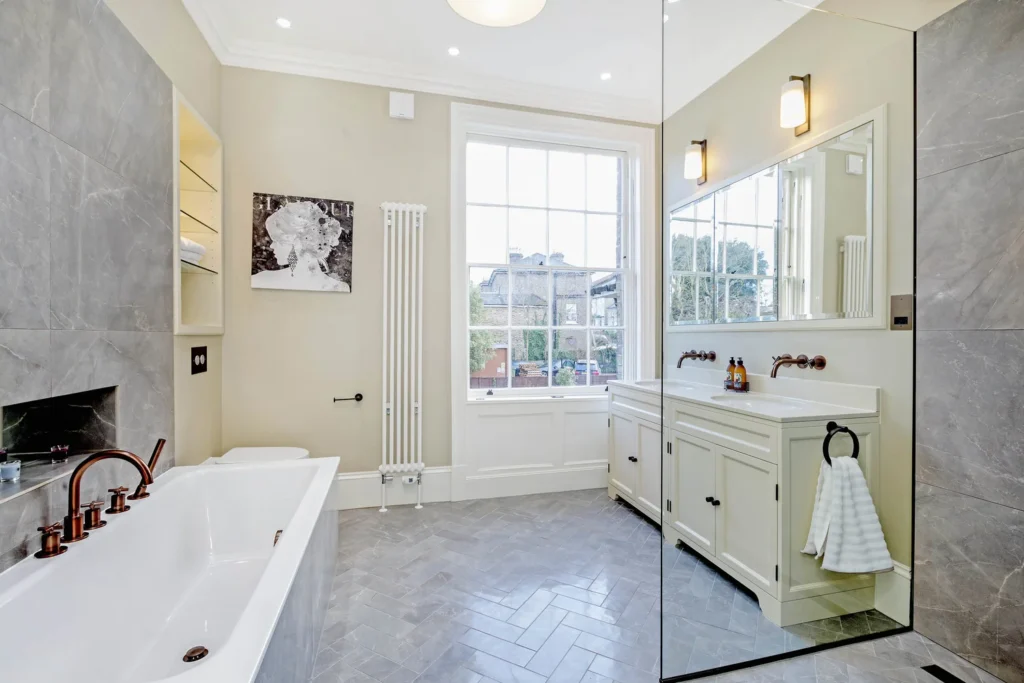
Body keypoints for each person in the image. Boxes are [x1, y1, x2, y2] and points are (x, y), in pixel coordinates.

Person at [252, 200, 350, 292]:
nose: (272, 246)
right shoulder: (338, 288)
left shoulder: (262, 281)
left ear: (296, 243)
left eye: (278, 241)